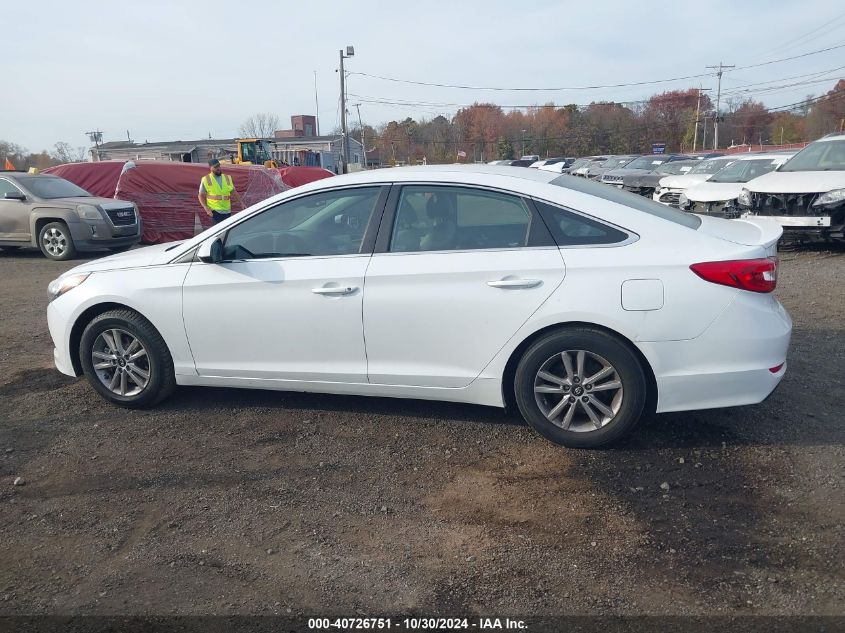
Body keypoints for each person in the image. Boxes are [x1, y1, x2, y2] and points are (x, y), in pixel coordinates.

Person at [198, 158, 244, 224]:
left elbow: (234, 192)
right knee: (220, 233)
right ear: (210, 168)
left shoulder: (227, 178)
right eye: (216, 167)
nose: (218, 168)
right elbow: (200, 196)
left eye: (219, 166)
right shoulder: (206, 179)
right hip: (215, 211)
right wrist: (206, 208)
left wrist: (241, 203)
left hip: (227, 211)